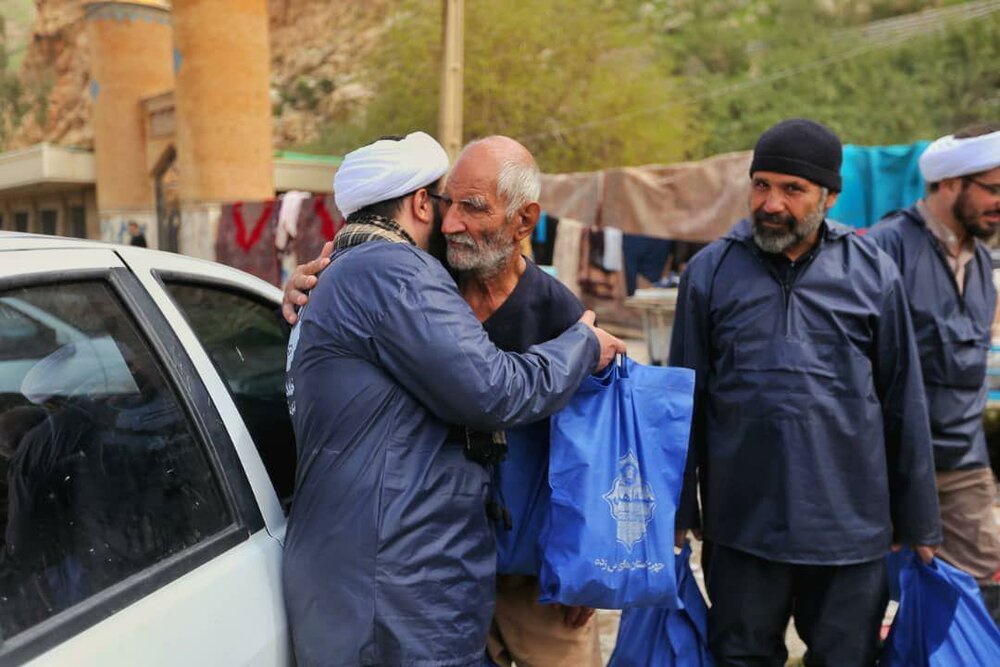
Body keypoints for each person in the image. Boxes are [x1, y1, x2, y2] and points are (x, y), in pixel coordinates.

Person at [282, 131, 625, 667]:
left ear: (524, 221)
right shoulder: (413, 274)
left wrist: (590, 561)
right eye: (448, 204)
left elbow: (597, 446)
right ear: (423, 204)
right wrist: (302, 283)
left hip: (527, 574)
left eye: (474, 207)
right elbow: (493, 389)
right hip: (414, 573)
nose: (452, 224)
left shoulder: (558, 309)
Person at [670, 118, 942, 665]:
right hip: (742, 524)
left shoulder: (873, 274)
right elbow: (684, 401)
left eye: (792, 190)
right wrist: (678, 512)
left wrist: (918, 522)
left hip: (850, 528)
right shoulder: (710, 272)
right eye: (761, 184)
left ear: (830, 197)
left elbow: (903, 403)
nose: (772, 203)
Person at [866, 123, 1000, 619]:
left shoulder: (982, 261)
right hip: (890, 463)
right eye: (993, 188)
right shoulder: (885, 248)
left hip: (963, 461)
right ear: (949, 183)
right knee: (880, 601)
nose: (999, 202)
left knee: (982, 589)